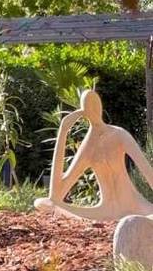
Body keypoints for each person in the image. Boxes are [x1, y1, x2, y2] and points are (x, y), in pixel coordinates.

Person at [35, 89, 153, 222]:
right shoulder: (88, 147)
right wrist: (63, 131)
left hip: (137, 208)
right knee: (43, 203)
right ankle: (91, 222)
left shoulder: (119, 134)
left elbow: (147, 171)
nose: (93, 109)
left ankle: (92, 222)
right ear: (83, 110)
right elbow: (56, 195)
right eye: (88, 106)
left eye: (95, 103)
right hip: (104, 212)